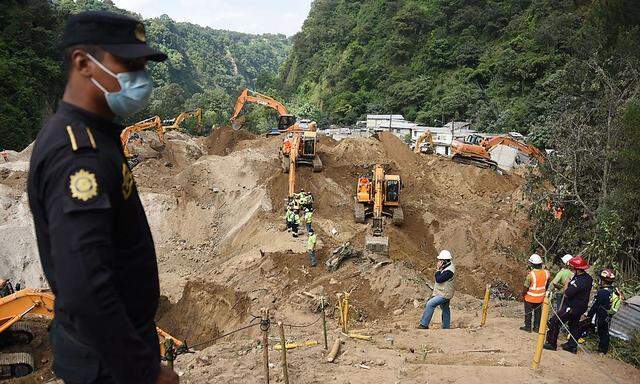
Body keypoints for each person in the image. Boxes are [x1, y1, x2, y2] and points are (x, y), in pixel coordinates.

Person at [26, 11, 178, 384]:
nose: (138, 79)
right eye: (128, 65)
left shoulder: (97, 136)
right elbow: (84, 287)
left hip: (110, 354)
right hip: (107, 366)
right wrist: (143, 372)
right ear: (83, 63)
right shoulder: (78, 155)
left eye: (141, 67)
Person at [544, 255, 593, 354]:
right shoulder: (587, 278)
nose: (571, 269)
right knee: (574, 325)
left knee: (554, 321)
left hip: (572, 306)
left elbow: (567, 293)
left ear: (577, 269)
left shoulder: (579, 281)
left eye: (572, 267)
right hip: (580, 307)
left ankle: (551, 343)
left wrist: (567, 284)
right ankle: (571, 346)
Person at [578, 269, 618, 354]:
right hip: (608, 314)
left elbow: (595, 305)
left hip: (601, 315)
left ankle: (602, 350)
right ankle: (602, 349)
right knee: (604, 331)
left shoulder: (603, 292)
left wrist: (589, 315)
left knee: (602, 332)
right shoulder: (613, 290)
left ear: (602, 280)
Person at [419, 250, 455, 329]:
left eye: (440, 261)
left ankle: (424, 324)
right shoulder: (447, 266)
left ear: (444, 261)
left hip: (444, 294)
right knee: (445, 308)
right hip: (445, 292)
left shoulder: (449, 271)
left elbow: (438, 279)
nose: (438, 262)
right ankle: (446, 327)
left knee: (430, 304)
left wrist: (438, 269)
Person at [520, 254, 550, 333]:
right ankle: (537, 327)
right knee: (538, 313)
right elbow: (547, 285)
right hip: (540, 297)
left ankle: (528, 327)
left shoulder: (531, 275)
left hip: (530, 297)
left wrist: (523, 295)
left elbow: (525, 287)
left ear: (532, 264)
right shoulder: (547, 273)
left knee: (528, 312)